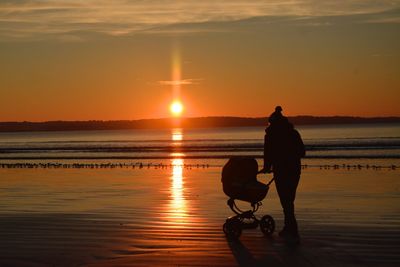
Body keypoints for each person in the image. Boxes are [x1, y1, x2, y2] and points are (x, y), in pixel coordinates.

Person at [259, 106, 305, 243]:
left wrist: (267, 167)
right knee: (289, 198)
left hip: (281, 169)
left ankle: (291, 228)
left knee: (286, 199)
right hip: (294, 169)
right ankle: (290, 227)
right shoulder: (293, 133)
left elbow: (268, 154)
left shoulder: (271, 135)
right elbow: (302, 152)